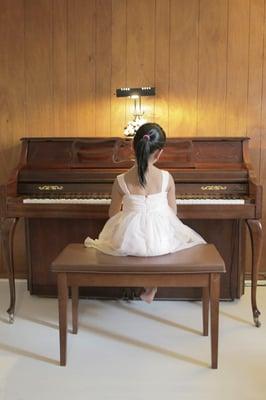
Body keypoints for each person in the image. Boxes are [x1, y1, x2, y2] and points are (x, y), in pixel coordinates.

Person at [84, 123, 206, 303]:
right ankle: (151, 287)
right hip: (161, 245)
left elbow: (112, 214)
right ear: (159, 153)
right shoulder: (167, 177)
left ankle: (143, 284)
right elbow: (172, 213)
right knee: (159, 243)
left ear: (134, 147)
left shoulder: (120, 180)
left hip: (129, 245)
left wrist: (131, 214)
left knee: (126, 240)